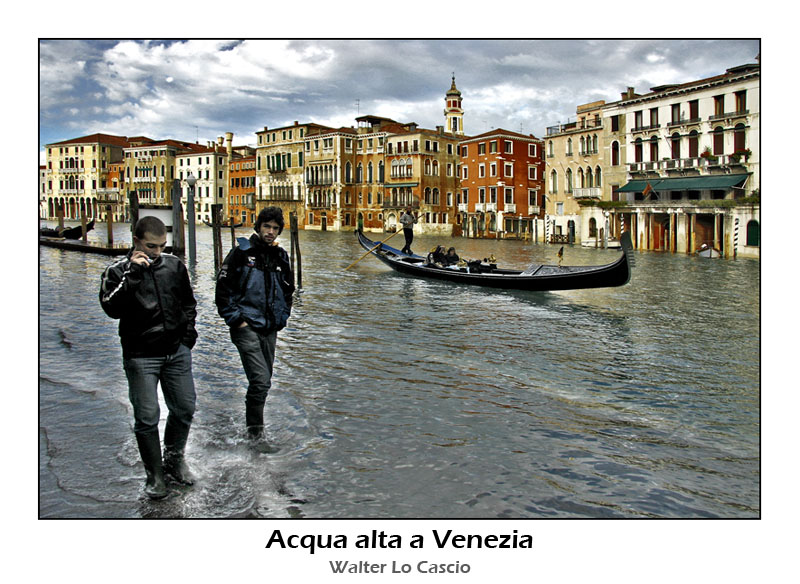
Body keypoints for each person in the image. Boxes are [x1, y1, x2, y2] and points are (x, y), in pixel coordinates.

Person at [99, 216, 198, 500]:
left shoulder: (174, 266)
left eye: (161, 246)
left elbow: (189, 303)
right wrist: (133, 274)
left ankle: (174, 462)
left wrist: (188, 338)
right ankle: (155, 475)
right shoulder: (117, 271)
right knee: (147, 417)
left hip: (176, 351)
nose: (156, 252)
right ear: (137, 241)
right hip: (140, 354)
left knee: (184, 408)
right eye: (151, 246)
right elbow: (111, 308)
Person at [215, 206, 295, 451]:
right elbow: (223, 290)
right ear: (258, 227)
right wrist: (237, 320)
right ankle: (256, 439)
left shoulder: (281, 257)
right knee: (261, 381)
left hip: (270, 326)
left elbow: (288, 291)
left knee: (263, 381)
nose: (270, 232)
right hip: (245, 326)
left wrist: (282, 318)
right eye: (266, 227)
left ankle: (252, 430)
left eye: (274, 228)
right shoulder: (241, 253)